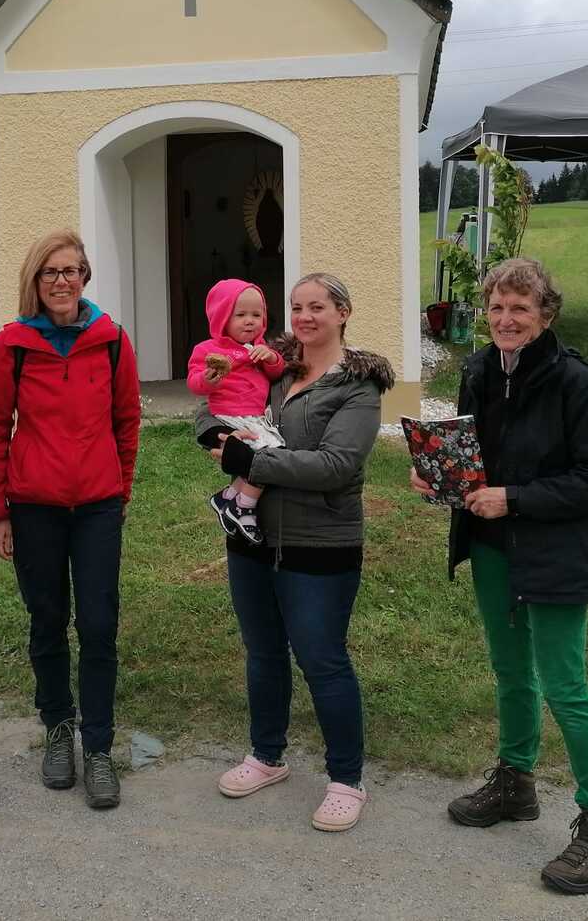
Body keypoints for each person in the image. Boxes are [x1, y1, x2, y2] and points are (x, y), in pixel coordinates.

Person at [410, 257, 588, 895]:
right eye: (497, 308)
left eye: (520, 309)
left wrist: (515, 499)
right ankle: (515, 783)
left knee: (566, 687)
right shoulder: (478, 369)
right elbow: (472, 456)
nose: (506, 320)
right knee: (511, 673)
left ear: (545, 315)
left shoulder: (577, 382)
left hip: (555, 553)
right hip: (491, 547)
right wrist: (438, 475)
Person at [195, 272, 392, 833]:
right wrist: (214, 434)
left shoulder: (357, 385)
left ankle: (346, 780)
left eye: (317, 307)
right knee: (262, 652)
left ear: (343, 313)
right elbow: (215, 402)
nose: (304, 317)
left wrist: (250, 462)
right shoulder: (273, 367)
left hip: (321, 540)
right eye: (297, 307)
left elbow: (336, 465)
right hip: (252, 537)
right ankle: (267, 756)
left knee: (322, 659)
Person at [0, 230, 141, 810]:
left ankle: (98, 746)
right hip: (34, 508)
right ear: (35, 281)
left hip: (97, 507)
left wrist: (120, 487)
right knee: (46, 620)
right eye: (50, 272)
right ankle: (57, 729)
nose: (62, 281)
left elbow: (127, 420)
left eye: (71, 270)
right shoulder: (14, 345)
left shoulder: (111, 340)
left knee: (98, 624)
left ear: (85, 276)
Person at [186, 279, 285, 545]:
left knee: (267, 454)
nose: (250, 321)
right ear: (222, 318)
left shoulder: (260, 349)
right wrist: (208, 379)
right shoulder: (208, 350)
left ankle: (229, 497)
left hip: (255, 417)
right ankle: (244, 505)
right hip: (229, 414)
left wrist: (272, 358)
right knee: (265, 456)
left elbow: (277, 373)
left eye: (256, 315)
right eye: (240, 315)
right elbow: (194, 383)